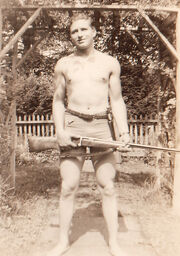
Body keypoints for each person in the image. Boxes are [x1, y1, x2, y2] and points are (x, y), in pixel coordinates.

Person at [48, 12, 130, 256]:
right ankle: (62, 242)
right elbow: (58, 101)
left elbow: (116, 101)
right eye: (74, 31)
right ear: (70, 36)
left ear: (94, 32)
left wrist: (122, 131)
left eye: (84, 29)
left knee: (108, 186)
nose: (79, 34)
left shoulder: (109, 63)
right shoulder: (63, 64)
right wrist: (60, 130)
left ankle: (114, 243)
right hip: (73, 125)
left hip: (101, 126)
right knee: (68, 186)